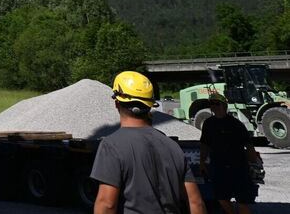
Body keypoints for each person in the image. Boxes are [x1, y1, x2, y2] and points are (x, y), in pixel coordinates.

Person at [91, 71, 205, 214]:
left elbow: (107, 205)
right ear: (150, 106)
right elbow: (196, 203)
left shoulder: (112, 146)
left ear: (117, 103)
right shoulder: (172, 146)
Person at [200, 92, 261, 213]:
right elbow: (204, 144)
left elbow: (248, 145)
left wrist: (254, 162)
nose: (213, 106)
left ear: (224, 105)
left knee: (243, 201)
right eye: (211, 103)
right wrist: (202, 161)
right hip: (218, 166)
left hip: (238, 167)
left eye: (216, 103)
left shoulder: (236, 124)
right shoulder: (208, 124)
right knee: (221, 198)